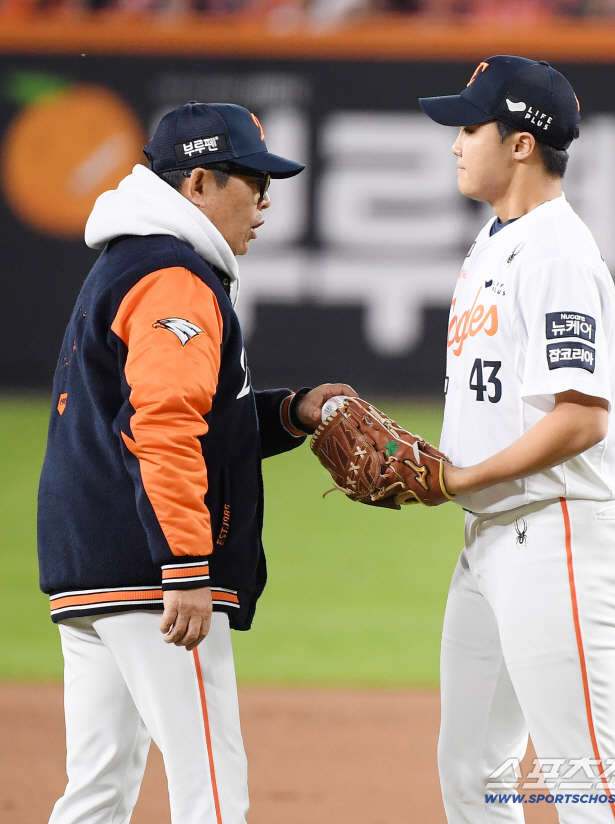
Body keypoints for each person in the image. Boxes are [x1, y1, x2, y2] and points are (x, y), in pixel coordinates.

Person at [37, 101, 355, 824]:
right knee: (211, 787)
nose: (266, 199)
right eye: (252, 180)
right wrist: (184, 565)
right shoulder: (172, 275)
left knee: (97, 791)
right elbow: (167, 426)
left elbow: (191, 412)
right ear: (200, 182)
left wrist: (288, 411)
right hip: (149, 574)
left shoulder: (130, 258)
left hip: (93, 567)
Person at [419, 56, 615, 824]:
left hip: (559, 534)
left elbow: (582, 416)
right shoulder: (493, 244)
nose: (455, 141)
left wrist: (456, 476)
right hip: (494, 537)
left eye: (470, 125)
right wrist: (444, 468)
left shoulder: (555, 251)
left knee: (583, 778)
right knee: (473, 770)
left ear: (520, 143)